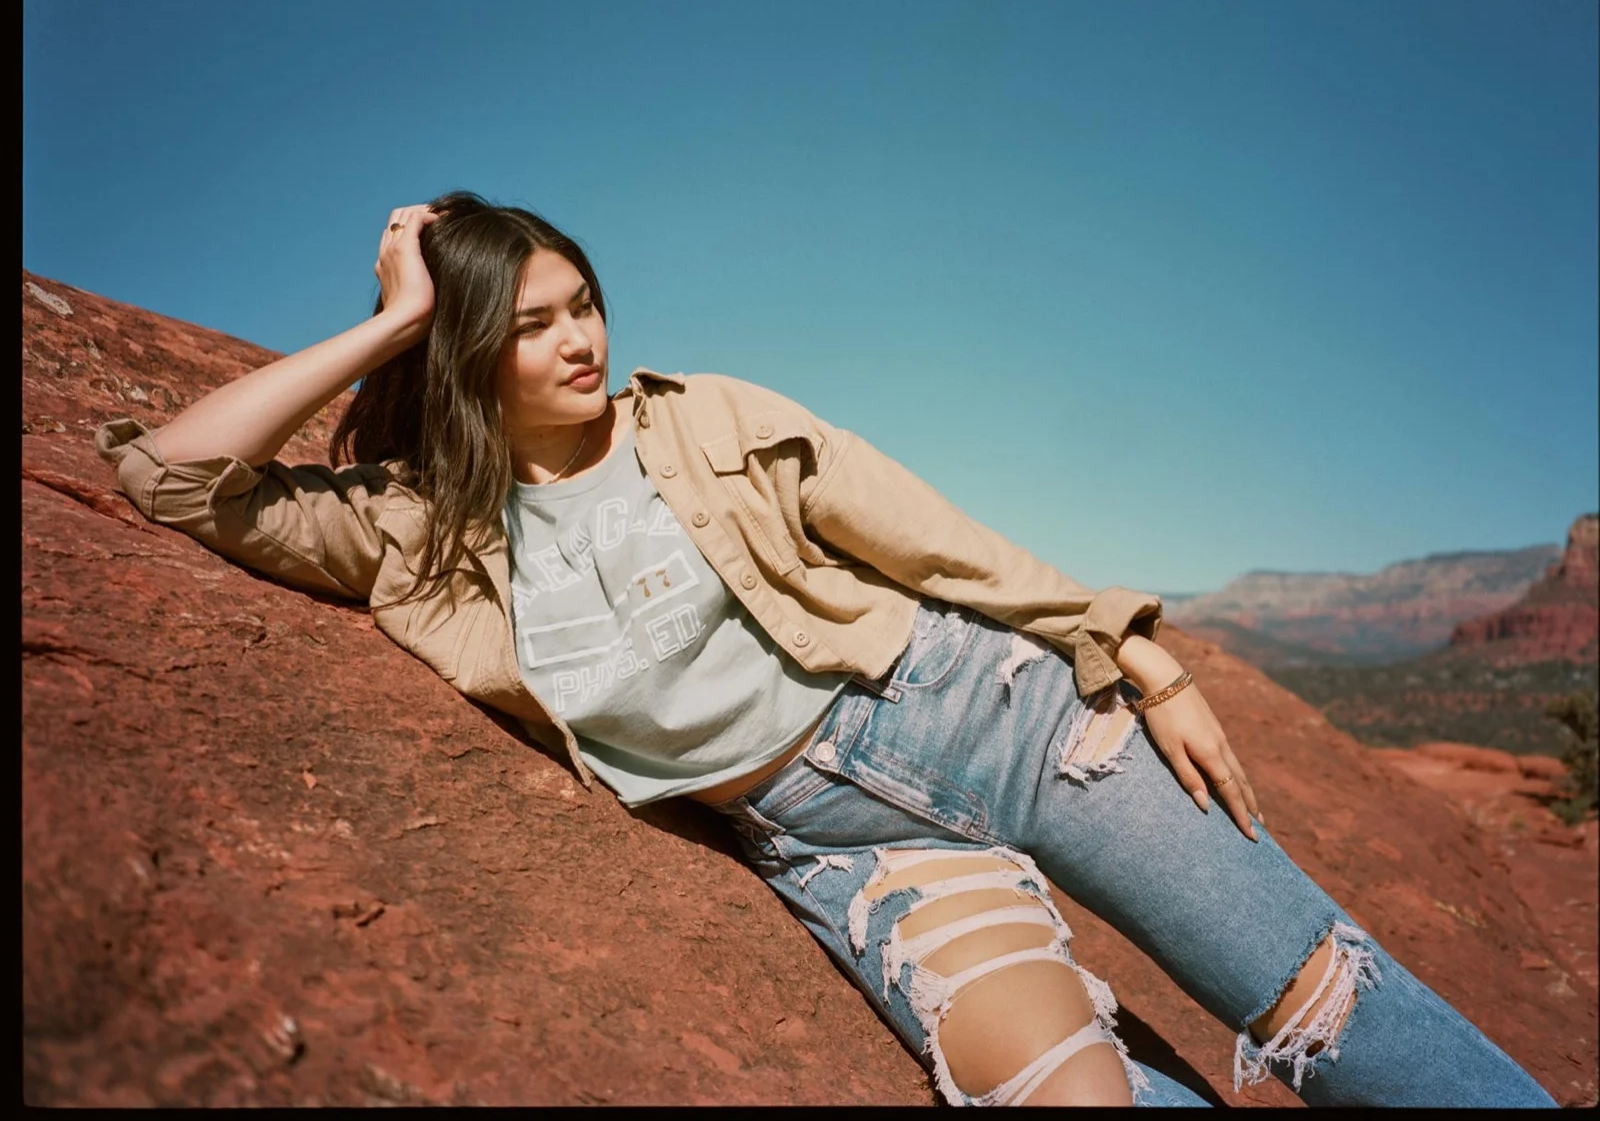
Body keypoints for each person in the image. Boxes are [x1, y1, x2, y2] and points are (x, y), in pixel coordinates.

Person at [95, 192, 1557, 1108]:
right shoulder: (421, 531)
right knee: (1063, 1097)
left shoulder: (710, 419)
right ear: (465, 351)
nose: (580, 338)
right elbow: (168, 477)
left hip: (998, 720)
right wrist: (396, 317)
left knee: (1323, 1009)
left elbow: (941, 548)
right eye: (531, 324)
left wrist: (1136, 655)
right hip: (843, 844)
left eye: (583, 302)